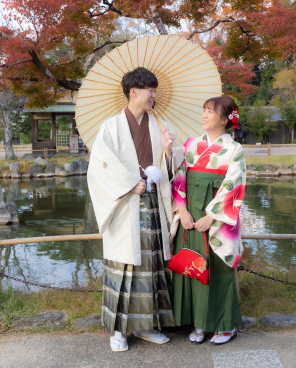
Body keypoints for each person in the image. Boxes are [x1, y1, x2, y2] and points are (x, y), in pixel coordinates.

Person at [87, 67, 184, 352]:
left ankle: (146, 325)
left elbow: (174, 166)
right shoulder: (111, 127)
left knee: (151, 266)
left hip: (153, 203)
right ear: (134, 92)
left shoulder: (160, 125)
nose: (154, 95)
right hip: (126, 204)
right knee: (124, 268)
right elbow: (100, 167)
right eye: (150, 90)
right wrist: (131, 184)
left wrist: (168, 153)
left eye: (154, 90)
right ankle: (118, 330)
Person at [170, 95, 246, 345]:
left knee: (219, 268)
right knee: (193, 264)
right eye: (203, 110)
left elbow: (234, 186)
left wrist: (211, 217)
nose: (204, 115)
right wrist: (181, 210)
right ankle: (199, 322)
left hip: (217, 217)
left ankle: (225, 325)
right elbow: (179, 175)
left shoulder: (234, 149)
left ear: (225, 119)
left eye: (210, 111)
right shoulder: (191, 144)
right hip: (190, 213)